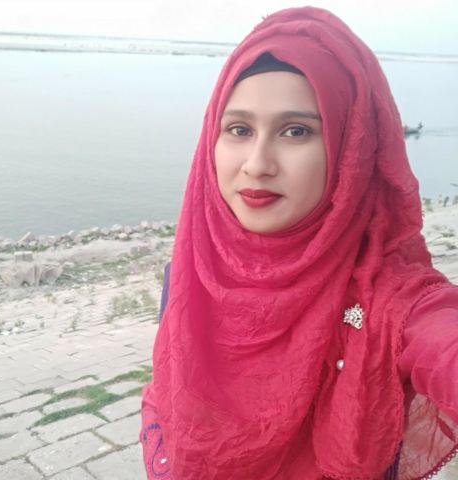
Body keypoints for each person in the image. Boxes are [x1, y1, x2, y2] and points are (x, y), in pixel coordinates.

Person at [140, 6, 458, 480]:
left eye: (297, 131)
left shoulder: (391, 299)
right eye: (239, 129)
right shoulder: (192, 270)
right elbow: (164, 393)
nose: (257, 163)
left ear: (352, 148)